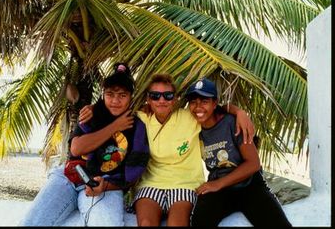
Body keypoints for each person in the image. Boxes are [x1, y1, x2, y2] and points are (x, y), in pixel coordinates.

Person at [79, 73, 255, 226]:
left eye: (167, 95)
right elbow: (114, 107)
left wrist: (239, 112)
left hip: (185, 184)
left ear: (176, 98)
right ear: (148, 99)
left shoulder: (191, 117)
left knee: (177, 224)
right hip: (151, 183)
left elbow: (212, 108)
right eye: (155, 96)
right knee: (146, 224)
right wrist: (93, 108)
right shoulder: (142, 117)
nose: (161, 100)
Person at [20, 63, 150, 226]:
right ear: (103, 94)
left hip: (104, 183)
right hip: (69, 176)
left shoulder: (137, 126)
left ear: (131, 96)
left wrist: (105, 186)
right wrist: (115, 126)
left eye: (122, 95)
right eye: (110, 94)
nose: (115, 101)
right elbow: (76, 148)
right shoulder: (92, 114)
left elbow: (132, 174)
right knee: (32, 223)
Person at [186, 77, 291, 227]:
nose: (198, 107)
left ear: (215, 103)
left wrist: (218, 184)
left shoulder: (232, 123)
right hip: (220, 191)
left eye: (204, 101)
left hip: (249, 186)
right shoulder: (192, 126)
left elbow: (253, 164)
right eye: (193, 102)